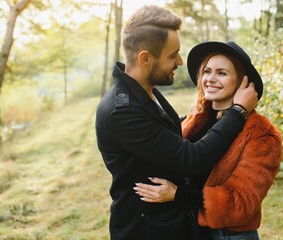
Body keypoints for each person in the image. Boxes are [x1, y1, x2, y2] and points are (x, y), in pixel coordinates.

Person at [95, 5, 258, 240]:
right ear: (145, 58)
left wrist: (212, 114)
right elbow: (194, 159)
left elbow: (168, 132)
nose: (180, 61)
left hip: (173, 222)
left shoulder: (145, 91)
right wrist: (238, 111)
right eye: (173, 55)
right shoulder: (122, 111)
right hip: (148, 230)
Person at [134, 41, 283, 240]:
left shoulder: (261, 134)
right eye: (207, 71)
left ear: (242, 82)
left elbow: (241, 203)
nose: (210, 79)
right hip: (193, 229)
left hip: (229, 235)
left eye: (222, 73)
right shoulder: (196, 117)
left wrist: (178, 194)